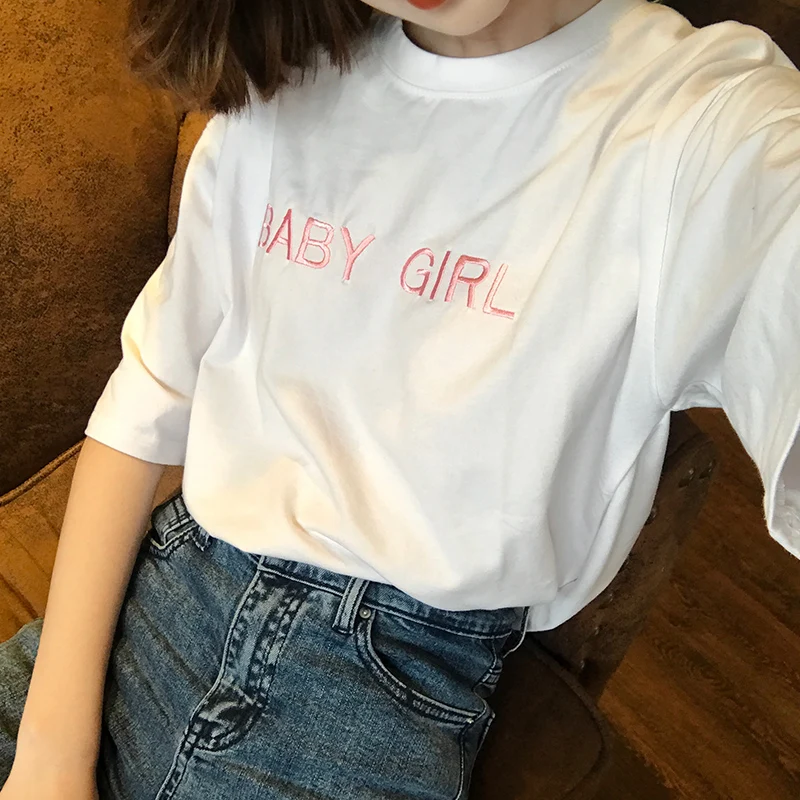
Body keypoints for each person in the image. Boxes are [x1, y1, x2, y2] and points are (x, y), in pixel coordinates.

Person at [1, 0, 799, 796]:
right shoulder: (288, 77)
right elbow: (145, 404)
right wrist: (49, 750)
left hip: (384, 687)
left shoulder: (703, 121)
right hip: (161, 588)